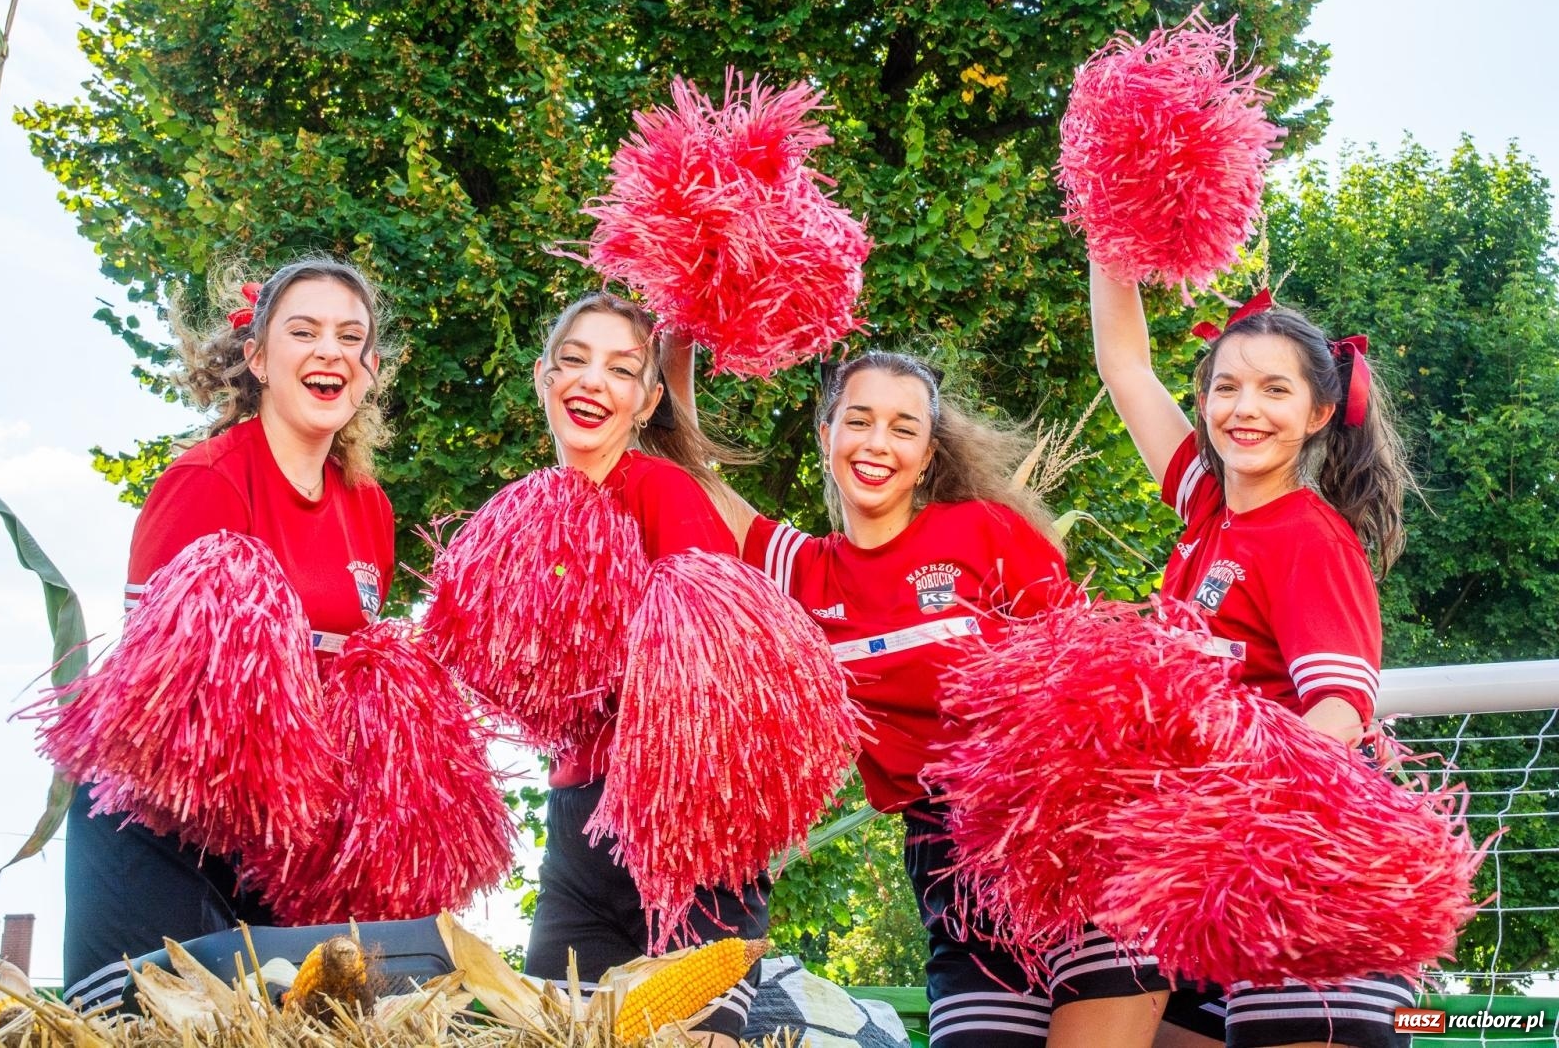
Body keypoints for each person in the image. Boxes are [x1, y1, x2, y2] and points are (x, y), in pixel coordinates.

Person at [677, 348, 1172, 1048]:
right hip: (950, 869)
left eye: (903, 427)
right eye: (860, 421)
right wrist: (677, 357)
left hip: (1070, 846)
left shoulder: (984, 532)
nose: (878, 444)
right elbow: (692, 477)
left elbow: (1083, 671)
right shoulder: (805, 573)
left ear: (928, 451)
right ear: (827, 434)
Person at [1090, 263, 1415, 1048]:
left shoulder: (1307, 534)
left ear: (1319, 413)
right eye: (1225, 387)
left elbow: (1339, 710)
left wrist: (1230, 798)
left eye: (1275, 390)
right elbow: (1125, 366)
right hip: (1228, 872)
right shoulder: (1209, 508)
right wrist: (1109, 225)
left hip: (1312, 864)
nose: (1244, 409)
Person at [61, 257, 396, 1011]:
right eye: (302, 331)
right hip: (161, 825)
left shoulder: (369, 509)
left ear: (369, 369)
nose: (329, 352)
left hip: (285, 838)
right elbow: (155, 696)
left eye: (351, 337)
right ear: (257, 358)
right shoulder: (207, 480)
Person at [520, 291, 766, 1046]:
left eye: (621, 369)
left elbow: (723, 659)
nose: (593, 381)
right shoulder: (530, 515)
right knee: (551, 1034)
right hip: (577, 833)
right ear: (542, 377)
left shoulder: (663, 492)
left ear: (647, 398)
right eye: (575, 360)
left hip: (686, 825)